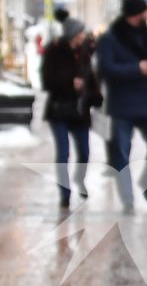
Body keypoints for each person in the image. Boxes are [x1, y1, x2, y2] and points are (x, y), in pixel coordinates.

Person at [95, 0, 147, 208]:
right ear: (135, 13)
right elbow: (105, 69)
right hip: (122, 106)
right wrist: (137, 68)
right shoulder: (110, 38)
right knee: (121, 152)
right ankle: (127, 200)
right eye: (144, 11)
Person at [41, 17, 102, 208]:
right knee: (63, 153)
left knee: (84, 152)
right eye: (80, 33)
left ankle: (79, 179)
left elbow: (90, 79)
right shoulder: (54, 51)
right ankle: (65, 193)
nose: (83, 36)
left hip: (80, 112)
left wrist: (96, 97)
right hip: (59, 110)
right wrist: (70, 83)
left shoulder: (84, 53)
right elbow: (47, 80)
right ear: (72, 35)